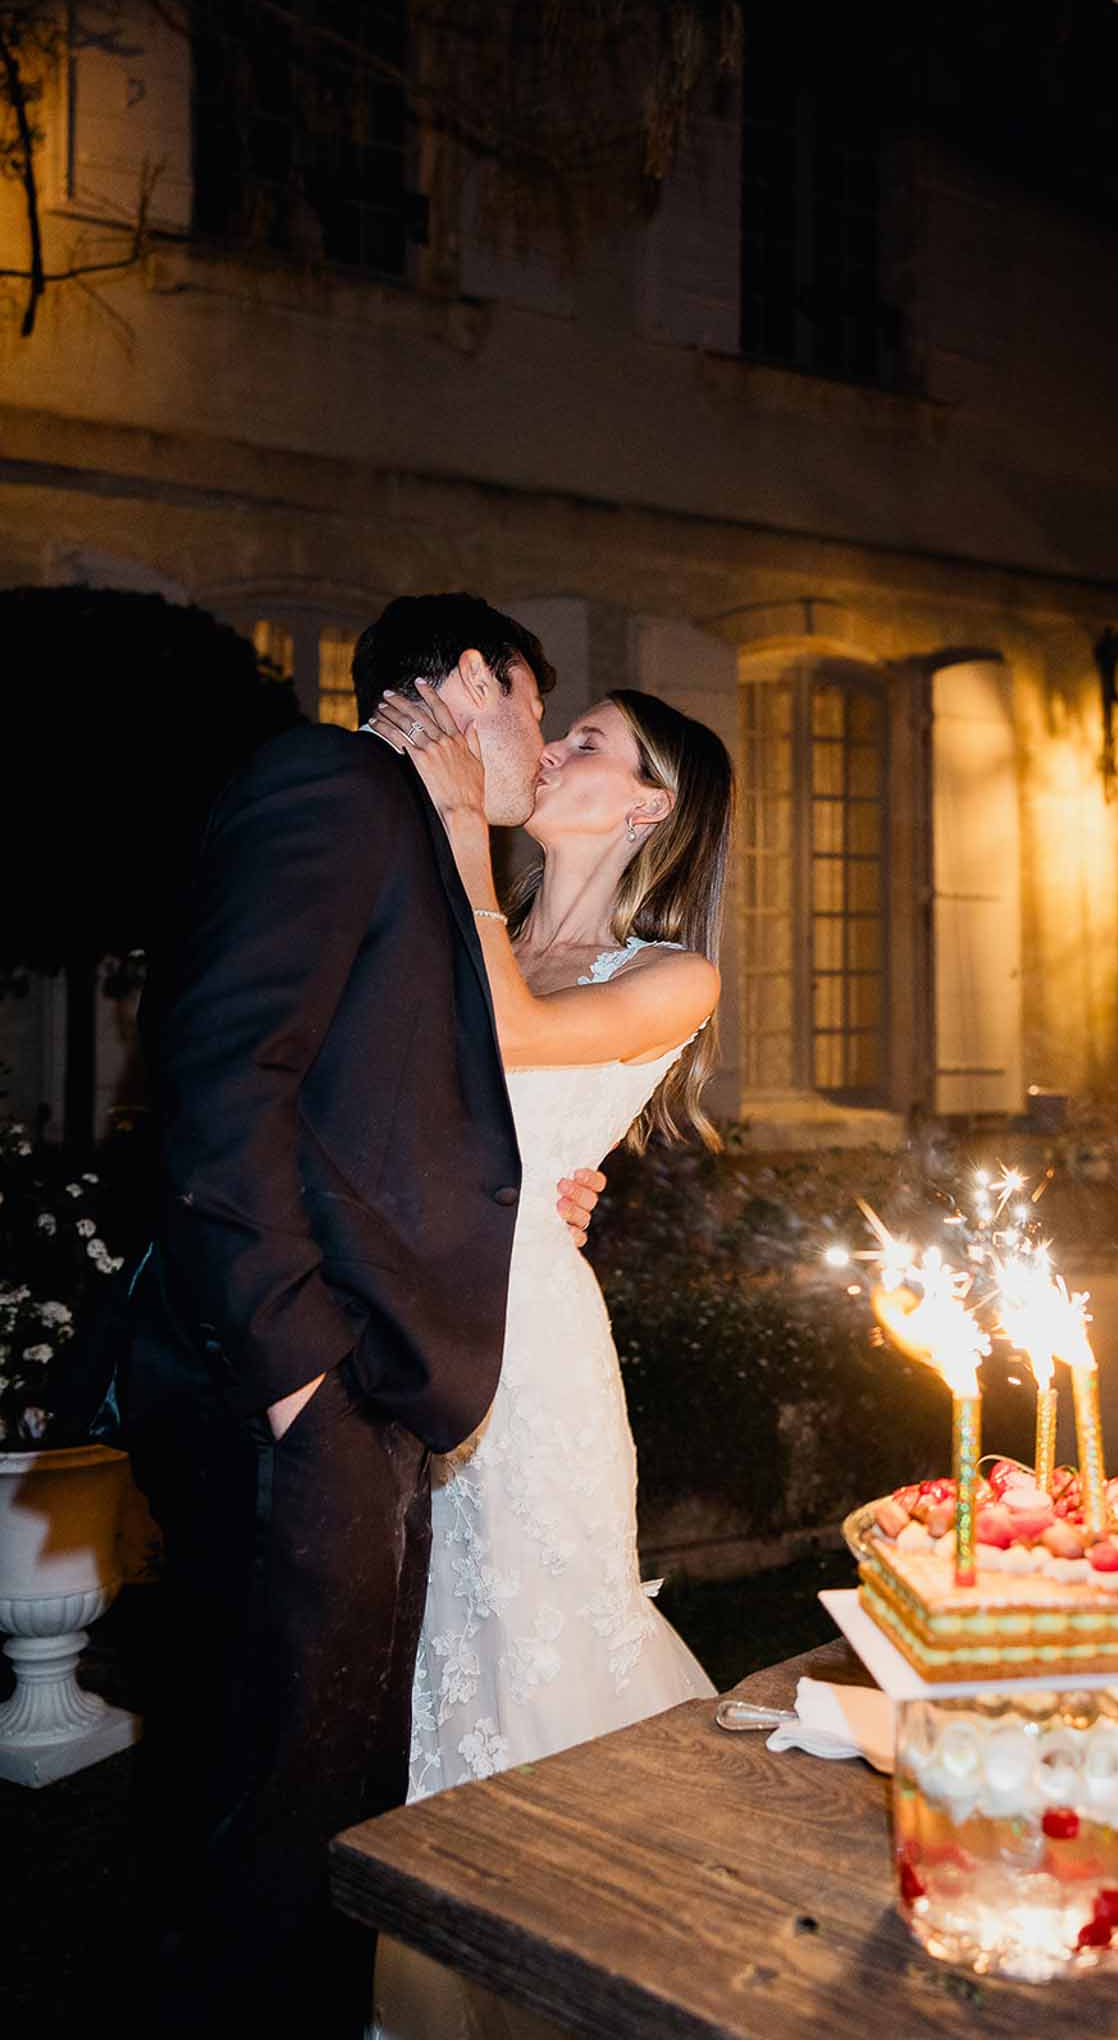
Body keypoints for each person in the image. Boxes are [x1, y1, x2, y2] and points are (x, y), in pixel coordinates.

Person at [120, 595, 605, 2040]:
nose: (535, 745)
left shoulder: (404, 823)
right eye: (534, 705)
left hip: (362, 1386)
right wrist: (296, 1381)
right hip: (293, 1391)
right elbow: (221, 1079)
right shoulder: (331, 786)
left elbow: (388, 1106)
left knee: (315, 1803)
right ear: (469, 680)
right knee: (283, 1827)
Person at [364, 673, 733, 2037]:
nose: (554, 747)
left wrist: (462, 829)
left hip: (538, 1353)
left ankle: (586, 1960)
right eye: (559, 729)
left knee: (539, 1625)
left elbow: (510, 1038)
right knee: (439, 1647)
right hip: (421, 1320)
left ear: (648, 805)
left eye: (589, 742)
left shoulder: (671, 972)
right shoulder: (492, 928)